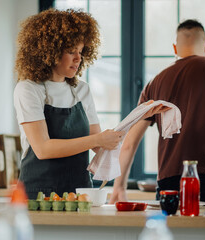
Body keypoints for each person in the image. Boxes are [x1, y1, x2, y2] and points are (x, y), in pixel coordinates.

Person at [13, 9, 164, 199]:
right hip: (38, 196)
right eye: (71, 51)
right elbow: (43, 149)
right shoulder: (28, 89)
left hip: (80, 194)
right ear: (49, 51)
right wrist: (99, 139)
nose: (78, 58)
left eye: (81, 51)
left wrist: (139, 116)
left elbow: (99, 146)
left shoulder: (81, 90)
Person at [110, 19, 205, 205]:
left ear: (175, 49)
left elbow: (129, 143)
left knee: (170, 234)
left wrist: (119, 186)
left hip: (167, 183)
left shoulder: (155, 82)